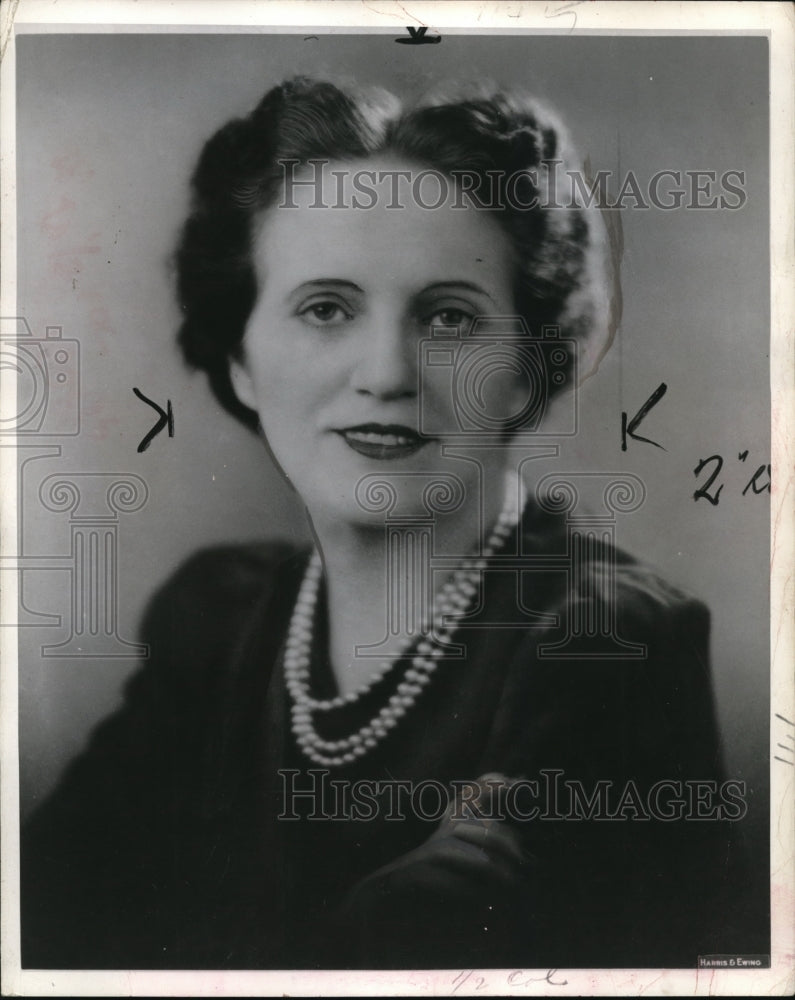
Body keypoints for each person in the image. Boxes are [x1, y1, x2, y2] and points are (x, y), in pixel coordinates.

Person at [21, 76, 757, 971]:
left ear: (525, 369)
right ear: (241, 356)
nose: (385, 372)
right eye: (325, 308)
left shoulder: (603, 643)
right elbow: (39, 930)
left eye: (449, 316)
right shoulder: (216, 618)